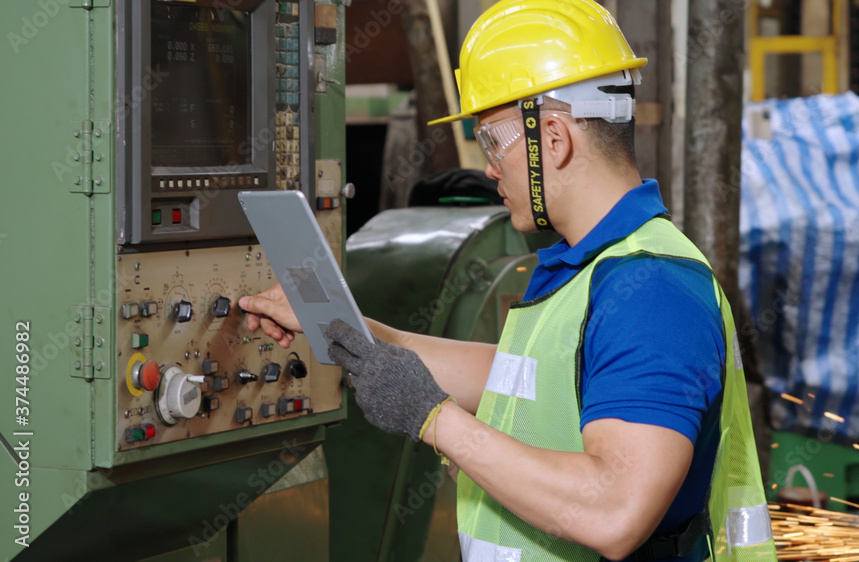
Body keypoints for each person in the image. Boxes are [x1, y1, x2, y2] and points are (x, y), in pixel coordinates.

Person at [239, 1, 775, 560]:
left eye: (493, 142)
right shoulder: (590, 266)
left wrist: (434, 419)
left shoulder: (652, 288)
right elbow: (526, 381)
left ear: (557, 138)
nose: (489, 167)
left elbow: (615, 510)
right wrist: (351, 336)